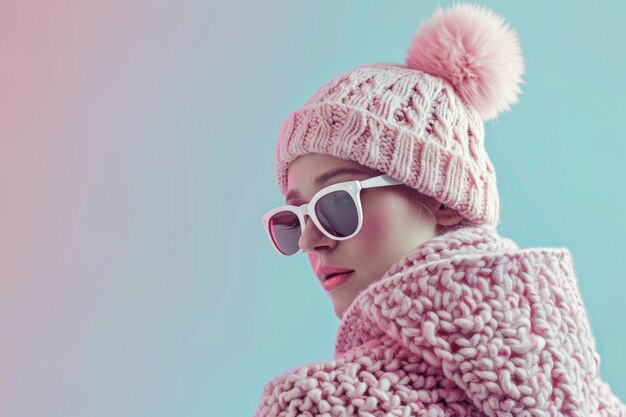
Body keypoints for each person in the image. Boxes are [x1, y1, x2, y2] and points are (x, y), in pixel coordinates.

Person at [256, 3, 626, 417]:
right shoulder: (597, 403)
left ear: (443, 202)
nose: (309, 241)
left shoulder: (316, 406)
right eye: (294, 220)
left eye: (337, 202)